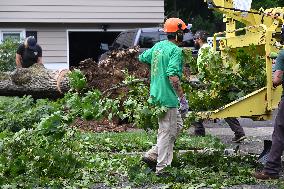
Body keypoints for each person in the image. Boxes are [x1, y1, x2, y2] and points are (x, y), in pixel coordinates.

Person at [139, 17, 189, 176]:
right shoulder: (175, 51)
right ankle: (162, 169)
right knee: (166, 132)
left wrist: (158, 65)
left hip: (156, 95)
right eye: (183, 33)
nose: (184, 36)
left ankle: (153, 154)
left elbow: (142, 57)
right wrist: (181, 97)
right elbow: (173, 76)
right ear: (178, 34)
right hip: (168, 97)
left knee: (177, 127)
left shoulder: (157, 47)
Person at [192, 30, 246, 143]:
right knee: (224, 108)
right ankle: (239, 132)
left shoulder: (203, 50)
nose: (194, 41)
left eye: (195, 39)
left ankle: (199, 132)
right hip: (214, 82)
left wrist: (202, 81)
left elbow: (205, 68)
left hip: (209, 83)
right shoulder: (211, 49)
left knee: (195, 106)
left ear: (199, 39)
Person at [253, 27, 284, 180]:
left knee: (280, 133)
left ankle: (271, 170)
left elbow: (277, 80)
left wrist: (275, 69)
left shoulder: (283, 54)